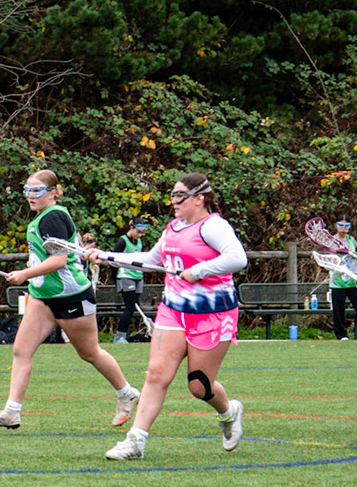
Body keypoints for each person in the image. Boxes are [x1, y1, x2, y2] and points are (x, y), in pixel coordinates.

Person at [95, 172, 247, 459]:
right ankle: (135, 442)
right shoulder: (173, 227)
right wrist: (106, 256)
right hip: (173, 311)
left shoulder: (213, 226)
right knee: (156, 373)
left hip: (212, 314)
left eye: (180, 196)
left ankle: (229, 412)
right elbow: (150, 262)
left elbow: (237, 257)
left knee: (199, 386)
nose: (174, 202)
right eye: (173, 195)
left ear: (199, 198)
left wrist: (199, 270)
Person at [0, 170, 140, 430]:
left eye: (37, 190)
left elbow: (59, 261)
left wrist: (25, 274)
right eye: (27, 190)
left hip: (70, 296)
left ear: (53, 192)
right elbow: (48, 256)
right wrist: (32, 268)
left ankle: (127, 394)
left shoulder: (53, 217)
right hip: (43, 296)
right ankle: (11, 412)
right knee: (21, 350)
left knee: (89, 353)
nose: (30, 196)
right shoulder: (43, 217)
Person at [328, 217, 357, 340]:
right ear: (335, 225)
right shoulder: (332, 241)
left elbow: (355, 257)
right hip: (338, 280)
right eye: (340, 225)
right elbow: (331, 259)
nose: (343, 229)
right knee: (338, 309)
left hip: (353, 279)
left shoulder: (351, 240)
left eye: (347, 226)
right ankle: (341, 335)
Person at [112, 219, 149, 343]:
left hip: (138, 276)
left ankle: (126, 336)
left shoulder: (139, 242)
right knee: (130, 307)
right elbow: (112, 260)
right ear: (131, 228)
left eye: (141, 233)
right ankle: (119, 336)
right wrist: (116, 279)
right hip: (126, 277)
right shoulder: (122, 242)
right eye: (138, 232)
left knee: (134, 307)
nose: (140, 235)